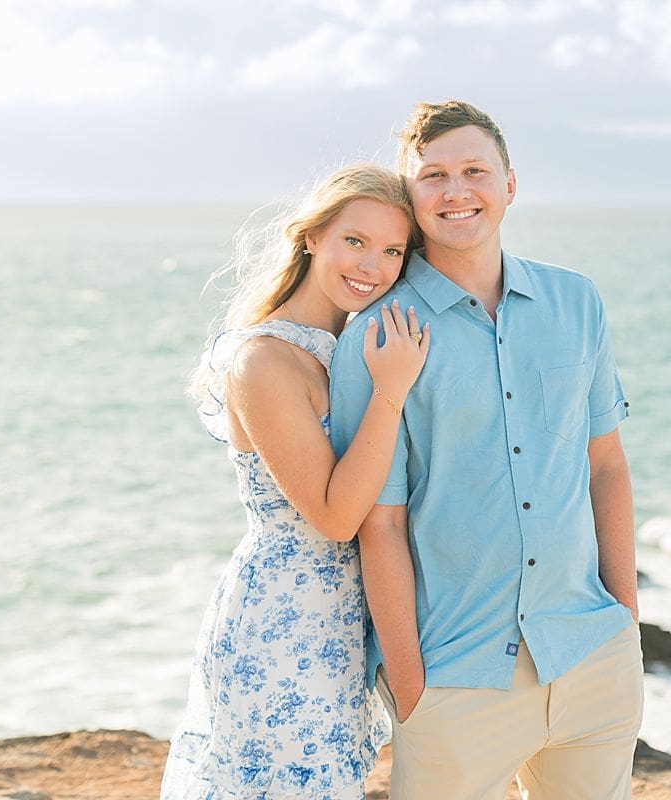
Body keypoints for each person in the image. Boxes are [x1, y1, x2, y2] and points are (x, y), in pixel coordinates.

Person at [329, 101, 644, 799]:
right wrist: (412, 688)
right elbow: (377, 523)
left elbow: (606, 466)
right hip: (455, 678)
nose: (456, 190)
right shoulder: (378, 337)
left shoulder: (576, 302)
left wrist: (625, 622)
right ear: (412, 200)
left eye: (474, 170)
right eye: (433, 176)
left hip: (591, 655)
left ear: (509, 184)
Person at [161, 165, 431, 800]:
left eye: (393, 250)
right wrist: (391, 391)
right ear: (311, 237)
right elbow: (335, 517)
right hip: (281, 624)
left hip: (342, 626)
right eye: (355, 241)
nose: (373, 264)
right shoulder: (265, 361)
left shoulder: (350, 343)